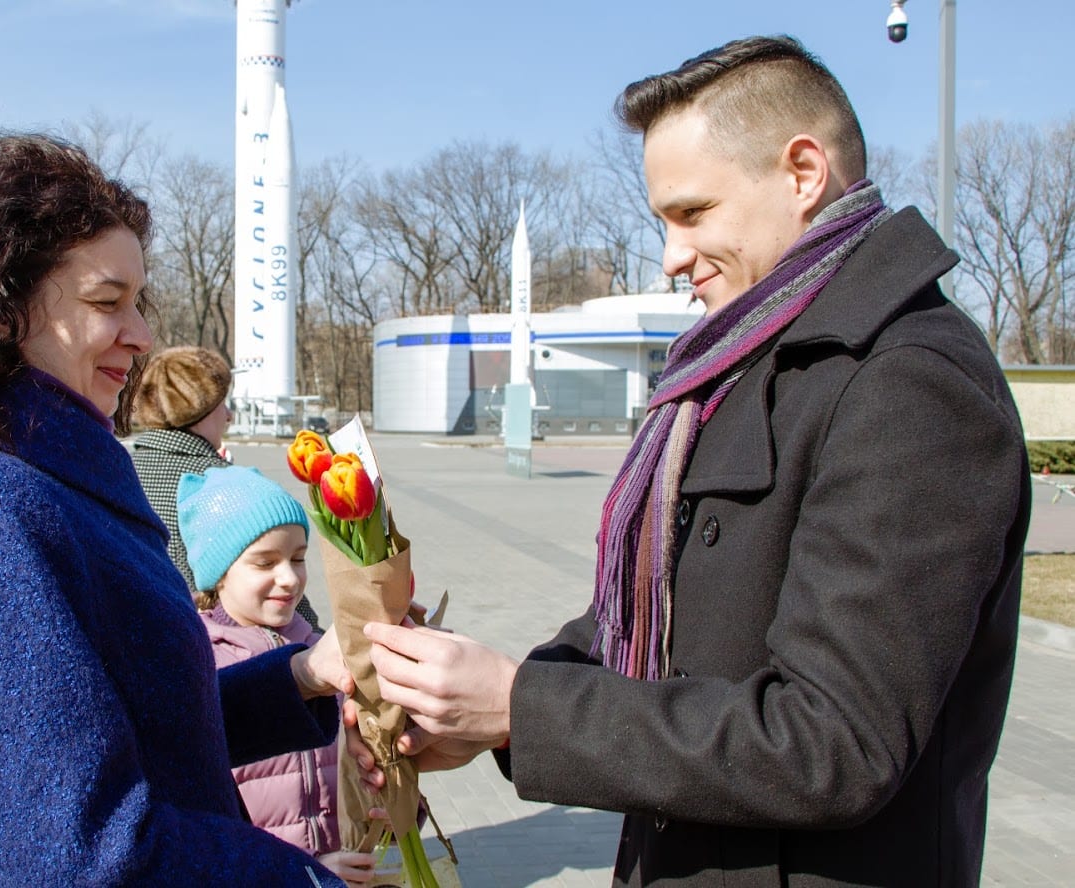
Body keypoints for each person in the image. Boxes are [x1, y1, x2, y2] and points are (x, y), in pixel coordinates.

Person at [356, 35, 1031, 887]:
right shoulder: (744, 363)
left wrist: (521, 706)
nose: (672, 255)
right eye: (662, 222)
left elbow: (833, 742)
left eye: (692, 213)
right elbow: (664, 625)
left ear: (803, 172)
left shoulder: (909, 381)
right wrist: (483, 705)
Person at [0, 133, 351, 886]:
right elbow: (83, 858)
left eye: (139, 302)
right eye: (107, 303)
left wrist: (300, 676)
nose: (140, 338)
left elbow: (142, 730)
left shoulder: (41, 479)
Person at [178, 465, 380, 885]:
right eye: (264, 562)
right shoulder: (201, 668)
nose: (288, 578)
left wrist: (386, 799)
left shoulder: (319, 647)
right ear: (219, 573)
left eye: (299, 558)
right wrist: (301, 871)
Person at [131, 347, 322, 628]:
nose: (229, 415)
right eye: (222, 403)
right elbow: (286, 597)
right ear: (200, 409)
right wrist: (316, 640)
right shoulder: (224, 486)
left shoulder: (122, 471)